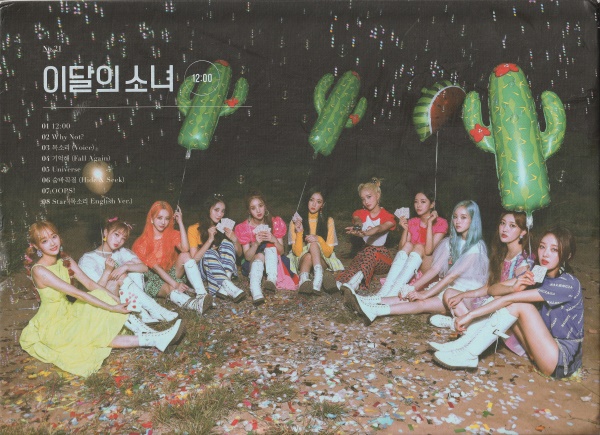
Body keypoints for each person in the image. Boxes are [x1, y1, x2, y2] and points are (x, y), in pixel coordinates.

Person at [20, 222, 184, 377]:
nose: (52, 243)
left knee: (99, 305)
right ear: (37, 246)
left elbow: (91, 285)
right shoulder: (39, 270)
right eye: (45, 241)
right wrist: (111, 307)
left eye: (54, 236)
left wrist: (115, 300)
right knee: (94, 334)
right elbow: (78, 293)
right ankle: (154, 337)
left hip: (69, 311)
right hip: (53, 324)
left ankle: (156, 338)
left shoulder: (66, 260)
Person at [432, 227, 583, 379]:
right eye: (542, 247)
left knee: (519, 303)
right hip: (537, 350)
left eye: (554, 249)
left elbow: (510, 300)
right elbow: (493, 290)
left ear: (568, 255)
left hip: (561, 361)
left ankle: (470, 354)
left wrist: (470, 315)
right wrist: (513, 287)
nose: (545, 253)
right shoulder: (538, 272)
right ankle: (463, 344)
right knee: (508, 295)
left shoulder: (569, 283)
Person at [349, 200, 488, 325]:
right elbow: (435, 269)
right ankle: (369, 304)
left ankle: (378, 310)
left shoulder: (476, 247)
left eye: (463, 218)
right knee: (414, 298)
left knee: (422, 303)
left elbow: (451, 276)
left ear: (473, 220)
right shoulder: (451, 242)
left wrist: (425, 294)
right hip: (449, 288)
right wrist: (412, 288)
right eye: (455, 217)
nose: (458, 221)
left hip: (466, 295)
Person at [431, 211, 533, 357]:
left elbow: (512, 295)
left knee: (494, 299)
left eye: (512, 226)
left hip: (505, 314)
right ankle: (464, 326)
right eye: (502, 223)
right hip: (491, 302)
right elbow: (488, 287)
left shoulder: (524, 261)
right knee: (450, 293)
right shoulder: (502, 253)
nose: (504, 229)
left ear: (523, 232)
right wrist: (463, 295)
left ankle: (464, 335)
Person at [78, 217, 178, 324]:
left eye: (123, 238)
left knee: (133, 269)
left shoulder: (120, 252)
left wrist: (125, 267)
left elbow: (144, 268)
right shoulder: (88, 259)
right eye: (116, 235)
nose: (119, 241)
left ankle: (141, 312)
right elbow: (95, 291)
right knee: (122, 276)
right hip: (99, 302)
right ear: (105, 232)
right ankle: (154, 309)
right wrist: (107, 271)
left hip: (121, 297)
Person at [132, 201, 212, 314]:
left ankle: (202, 294)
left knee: (185, 255)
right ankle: (195, 305)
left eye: (167, 218)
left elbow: (185, 249)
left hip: (170, 272)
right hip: (154, 278)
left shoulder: (171, 234)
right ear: (151, 219)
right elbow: (157, 269)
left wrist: (180, 222)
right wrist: (175, 284)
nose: (163, 222)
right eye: (159, 218)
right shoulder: (142, 243)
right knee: (171, 288)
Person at [377, 190, 448, 298]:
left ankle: (393, 293)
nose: (418, 205)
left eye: (423, 202)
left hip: (430, 267)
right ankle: (384, 291)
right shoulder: (413, 222)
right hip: (412, 267)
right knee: (408, 245)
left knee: (419, 246)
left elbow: (428, 251)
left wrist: (429, 223)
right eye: (416, 202)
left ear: (432, 204)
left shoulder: (441, 223)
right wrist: (405, 229)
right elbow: (401, 249)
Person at [234, 191, 297, 305]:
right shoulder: (244, 227)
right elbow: (247, 257)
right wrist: (256, 243)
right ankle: (255, 290)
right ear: (249, 211)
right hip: (254, 261)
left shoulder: (275, 222)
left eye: (260, 206)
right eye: (253, 208)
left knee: (269, 246)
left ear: (265, 206)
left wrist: (274, 239)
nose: (258, 211)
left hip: (273, 260)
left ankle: (271, 281)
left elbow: (282, 251)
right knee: (260, 255)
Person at [336, 178, 396, 294]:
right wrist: (357, 227)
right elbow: (358, 220)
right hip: (366, 255)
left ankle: (356, 283)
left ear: (378, 195)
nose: (366, 201)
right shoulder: (361, 213)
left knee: (370, 251)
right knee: (359, 258)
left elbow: (379, 228)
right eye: (363, 199)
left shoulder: (387, 216)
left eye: (369, 197)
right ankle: (341, 282)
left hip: (382, 259)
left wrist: (366, 233)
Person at [187, 195, 245, 302]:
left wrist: (235, 240)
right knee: (210, 252)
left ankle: (224, 286)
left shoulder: (224, 227)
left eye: (223, 211)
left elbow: (240, 254)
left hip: (225, 268)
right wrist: (209, 240)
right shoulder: (193, 229)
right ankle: (228, 285)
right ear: (208, 210)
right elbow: (194, 260)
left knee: (227, 243)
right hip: (204, 270)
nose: (220, 214)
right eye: (216, 210)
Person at [288, 187, 344, 295]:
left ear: (322, 205)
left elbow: (328, 252)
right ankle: (309, 280)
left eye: (318, 202)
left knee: (314, 244)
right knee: (308, 256)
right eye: (311, 200)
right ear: (307, 201)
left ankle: (313, 277)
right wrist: (299, 232)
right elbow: (297, 253)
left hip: (322, 258)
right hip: (302, 258)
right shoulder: (296, 220)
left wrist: (319, 239)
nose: (314, 204)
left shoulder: (328, 221)